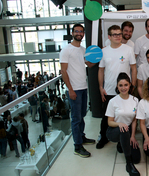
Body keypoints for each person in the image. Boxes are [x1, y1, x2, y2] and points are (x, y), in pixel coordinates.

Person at [97, 25, 137, 149]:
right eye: (114, 34)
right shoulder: (104, 51)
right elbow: (101, 70)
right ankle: (103, 137)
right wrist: (100, 87)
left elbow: (134, 69)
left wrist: (133, 85)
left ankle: (122, 140)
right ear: (109, 37)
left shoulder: (128, 49)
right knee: (106, 117)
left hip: (125, 90)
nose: (118, 36)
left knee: (125, 115)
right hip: (109, 89)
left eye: (119, 34)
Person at [60, 23, 96, 158]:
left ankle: (81, 137)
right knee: (76, 119)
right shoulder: (66, 50)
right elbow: (63, 71)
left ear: (83, 34)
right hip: (74, 89)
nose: (79, 33)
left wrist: (100, 55)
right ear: (72, 33)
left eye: (81, 31)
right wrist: (70, 89)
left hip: (83, 87)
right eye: (77, 31)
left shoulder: (83, 50)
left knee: (81, 116)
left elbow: (90, 64)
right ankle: (77, 146)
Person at [106, 73, 141, 176]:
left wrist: (133, 136)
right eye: (120, 85)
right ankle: (129, 164)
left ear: (130, 85)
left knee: (137, 159)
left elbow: (134, 120)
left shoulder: (135, 100)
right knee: (124, 130)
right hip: (113, 130)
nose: (123, 88)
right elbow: (109, 122)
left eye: (126, 85)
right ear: (117, 86)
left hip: (127, 130)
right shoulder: (113, 101)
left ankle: (123, 143)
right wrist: (119, 124)